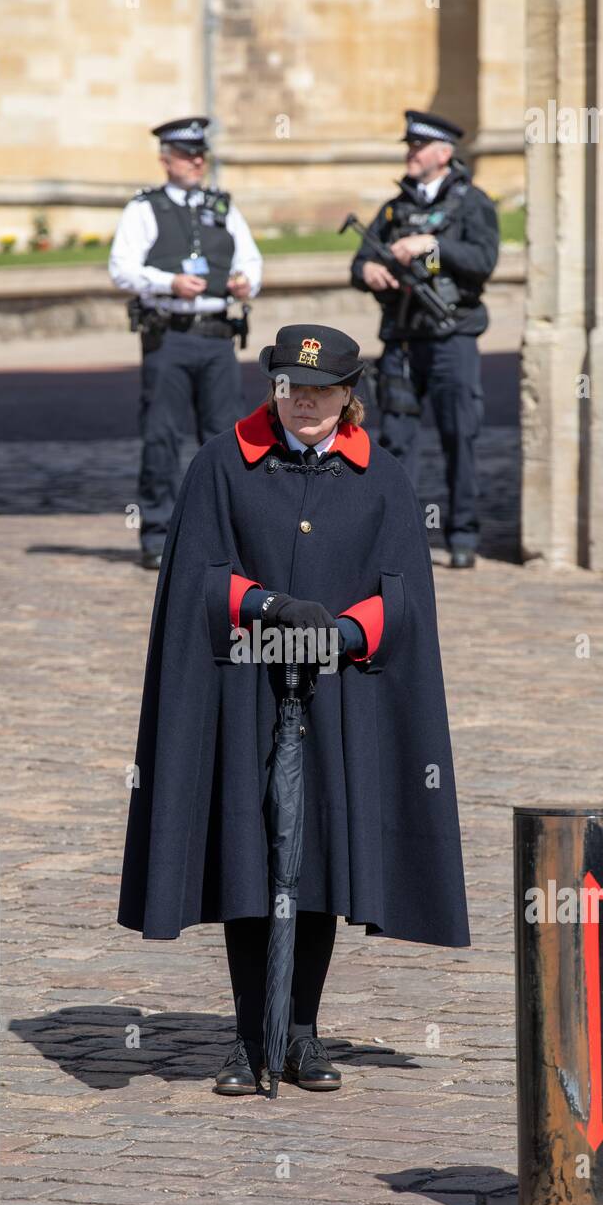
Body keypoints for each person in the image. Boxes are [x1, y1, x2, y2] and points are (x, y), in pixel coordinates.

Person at [116, 323, 470, 1097]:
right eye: (291, 387)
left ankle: (302, 1033)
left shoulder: (383, 478)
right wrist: (268, 604)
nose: (304, 402)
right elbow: (196, 579)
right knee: (251, 859)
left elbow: (404, 596)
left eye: (321, 391)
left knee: (312, 863)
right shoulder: (221, 463)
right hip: (245, 686)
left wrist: (346, 630)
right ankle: (250, 1038)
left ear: (350, 398)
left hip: (338, 692)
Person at [109, 116, 263, 569]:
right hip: (169, 337)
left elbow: (252, 260)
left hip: (216, 338)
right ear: (165, 160)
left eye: (201, 155)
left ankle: (227, 536)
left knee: (226, 439)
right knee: (161, 436)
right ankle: (157, 535)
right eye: (186, 155)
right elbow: (121, 268)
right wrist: (168, 282)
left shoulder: (223, 205)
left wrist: (244, 282)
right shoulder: (144, 208)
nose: (196, 162)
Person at [350, 109, 499, 568]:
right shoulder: (395, 208)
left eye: (418, 148)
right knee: (396, 438)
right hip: (402, 339)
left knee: (460, 435)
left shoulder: (472, 203)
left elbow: (484, 260)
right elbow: (358, 265)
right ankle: (399, 537)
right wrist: (369, 271)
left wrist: (432, 244)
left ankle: (462, 535)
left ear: (443, 153)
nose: (410, 155)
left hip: (451, 338)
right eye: (409, 147)